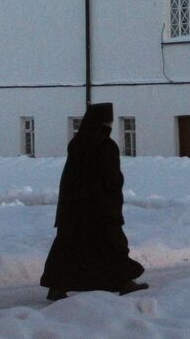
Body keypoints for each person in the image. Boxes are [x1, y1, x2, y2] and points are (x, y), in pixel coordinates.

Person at [40, 101, 148, 301]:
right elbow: (111, 180)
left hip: (73, 208)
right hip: (100, 208)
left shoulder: (77, 143)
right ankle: (124, 282)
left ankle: (57, 286)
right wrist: (113, 206)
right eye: (109, 121)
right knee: (113, 245)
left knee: (68, 248)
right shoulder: (106, 146)